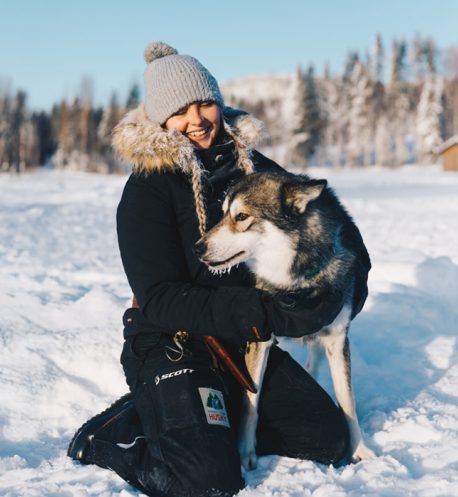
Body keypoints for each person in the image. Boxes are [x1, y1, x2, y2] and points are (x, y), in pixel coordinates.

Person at [67, 41, 370, 497]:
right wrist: (263, 313)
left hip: (240, 339)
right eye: (180, 110)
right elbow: (160, 298)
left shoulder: (249, 167)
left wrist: (343, 291)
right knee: (206, 480)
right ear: (160, 119)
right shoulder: (145, 192)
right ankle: (115, 433)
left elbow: (331, 225)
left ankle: (201, 420)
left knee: (327, 440)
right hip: (172, 341)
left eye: (204, 102)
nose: (196, 120)